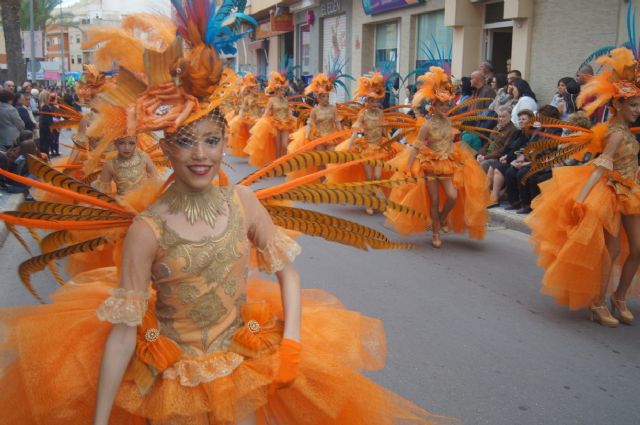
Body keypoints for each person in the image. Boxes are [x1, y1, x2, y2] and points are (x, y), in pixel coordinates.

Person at [0, 4, 458, 424]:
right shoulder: (146, 228)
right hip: (169, 375)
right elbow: (122, 333)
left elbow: (289, 274)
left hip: (243, 361)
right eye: (185, 141)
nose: (200, 155)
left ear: (223, 144)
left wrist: (293, 342)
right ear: (165, 148)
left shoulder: (243, 202)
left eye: (212, 141)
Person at [527, 47, 640, 327]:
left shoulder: (627, 132)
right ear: (617, 106)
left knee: (637, 249)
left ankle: (620, 297)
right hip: (611, 193)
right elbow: (601, 166)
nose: (638, 110)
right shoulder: (615, 134)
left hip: (632, 192)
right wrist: (581, 197)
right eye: (633, 105)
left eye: (639, 105)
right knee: (611, 252)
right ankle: (598, 303)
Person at [385, 66, 490, 247]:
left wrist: (459, 159)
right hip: (430, 163)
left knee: (452, 196)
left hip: (447, 162)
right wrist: (408, 168)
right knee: (433, 199)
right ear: (432, 106)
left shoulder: (449, 122)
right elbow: (417, 147)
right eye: (440, 105)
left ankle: (441, 218)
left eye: (446, 105)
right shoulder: (426, 125)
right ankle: (435, 232)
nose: (444, 108)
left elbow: (451, 142)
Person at [244, 71, 297, 164]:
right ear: (276, 90)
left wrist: (293, 118)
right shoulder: (271, 100)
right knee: (277, 146)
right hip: (275, 124)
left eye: (283, 90)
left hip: (286, 123)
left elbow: (288, 112)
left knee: (284, 145)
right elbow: (266, 113)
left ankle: (283, 164)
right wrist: (261, 123)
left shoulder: (285, 100)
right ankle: (276, 165)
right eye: (280, 90)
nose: (282, 91)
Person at [487, 109, 534, 208]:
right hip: (510, 159)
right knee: (492, 167)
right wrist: (504, 155)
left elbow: (520, 150)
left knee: (499, 170)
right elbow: (508, 147)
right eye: (519, 119)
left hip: (517, 160)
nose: (520, 121)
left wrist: (507, 157)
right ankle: (489, 195)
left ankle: (494, 197)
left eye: (524, 119)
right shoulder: (518, 133)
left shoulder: (529, 134)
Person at [93, 135, 159, 196]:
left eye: (131, 143)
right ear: (115, 143)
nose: (127, 148)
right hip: (123, 205)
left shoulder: (143, 157)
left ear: (137, 142)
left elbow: (155, 180)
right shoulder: (109, 164)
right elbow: (102, 194)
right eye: (122, 143)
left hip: (147, 200)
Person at [227, 73, 264, 157]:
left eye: (256, 87)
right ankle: (252, 153)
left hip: (258, 117)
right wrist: (240, 117)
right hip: (250, 118)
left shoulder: (259, 97)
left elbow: (262, 108)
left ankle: (254, 152)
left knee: (256, 136)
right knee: (251, 136)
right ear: (250, 89)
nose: (256, 89)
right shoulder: (247, 98)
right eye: (253, 88)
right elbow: (243, 108)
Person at [476, 105, 517, 172]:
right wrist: (481, 154)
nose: (500, 119)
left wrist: (485, 157)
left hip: (497, 158)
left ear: (510, 117)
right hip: (487, 155)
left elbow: (503, 150)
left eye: (503, 117)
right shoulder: (497, 127)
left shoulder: (512, 130)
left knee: (484, 164)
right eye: (499, 116)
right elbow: (488, 143)